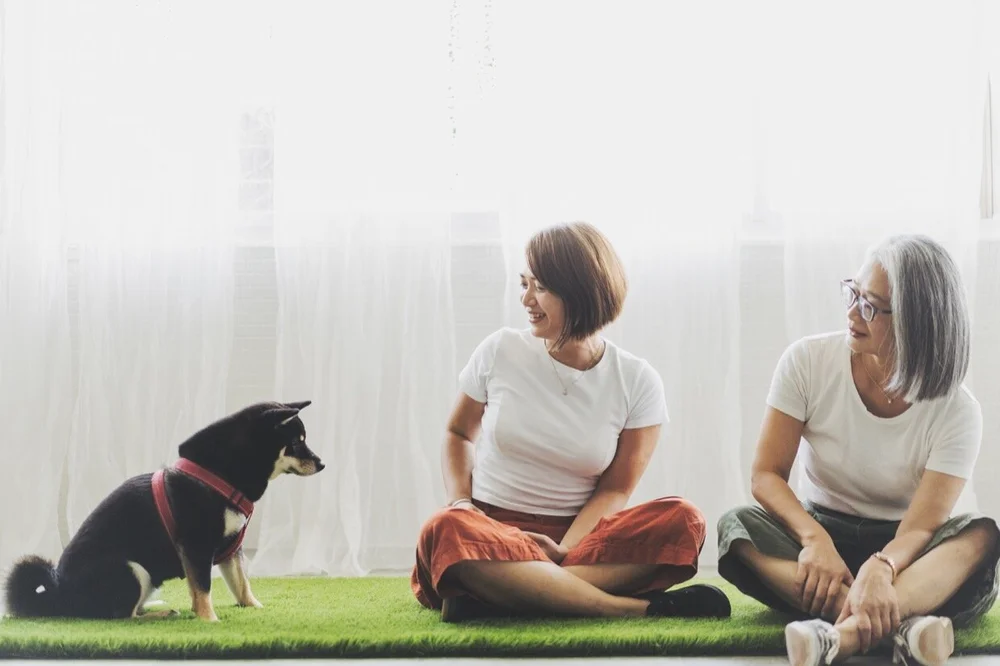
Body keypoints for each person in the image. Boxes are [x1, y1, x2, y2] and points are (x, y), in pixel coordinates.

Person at [411, 221, 730, 622]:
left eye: (541, 288)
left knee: (683, 519)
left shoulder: (637, 380)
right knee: (444, 527)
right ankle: (630, 609)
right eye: (524, 284)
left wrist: (565, 549)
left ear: (581, 293)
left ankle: (502, 591)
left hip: (578, 540)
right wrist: (463, 504)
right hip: (487, 532)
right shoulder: (499, 349)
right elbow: (458, 433)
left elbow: (616, 488)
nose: (526, 299)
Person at [717, 234, 998, 666]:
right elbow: (765, 474)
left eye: (870, 306)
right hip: (822, 534)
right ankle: (905, 628)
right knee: (736, 527)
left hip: (906, 552)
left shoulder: (958, 410)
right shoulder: (806, 362)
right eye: (854, 293)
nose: (852, 312)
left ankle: (841, 637)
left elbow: (921, 528)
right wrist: (814, 540)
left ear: (915, 322)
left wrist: (883, 568)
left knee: (981, 536)